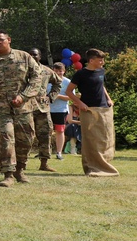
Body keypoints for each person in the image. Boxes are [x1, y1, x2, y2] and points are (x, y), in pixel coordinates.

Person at [0, 32, 43, 187]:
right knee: (6, 138)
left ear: (9, 40)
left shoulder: (24, 57)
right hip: (0, 108)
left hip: (23, 107)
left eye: (1, 40)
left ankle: (20, 169)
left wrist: (24, 96)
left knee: (26, 139)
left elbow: (36, 78)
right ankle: (8, 174)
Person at [64, 49, 119, 177]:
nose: (102, 62)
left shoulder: (101, 71)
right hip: (88, 110)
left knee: (105, 138)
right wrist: (80, 103)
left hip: (104, 109)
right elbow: (69, 91)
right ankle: (92, 167)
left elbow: (102, 86)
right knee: (91, 139)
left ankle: (105, 164)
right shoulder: (81, 74)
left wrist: (109, 98)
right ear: (91, 61)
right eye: (100, 60)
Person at [29, 48, 62, 173]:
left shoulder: (47, 71)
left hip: (42, 108)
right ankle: (21, 163)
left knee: (45, 135)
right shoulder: (21, 70)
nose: (32, 56)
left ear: (40, 56)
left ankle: (44, 163)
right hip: (25, 107)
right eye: (30, 54)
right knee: (24, 136)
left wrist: (51, 96)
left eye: (35, 54)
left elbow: (58, 83)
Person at [50, 62, 70, 160]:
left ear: (64, 71)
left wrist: (57, 96)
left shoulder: (67, 82)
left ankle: (59, 152)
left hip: (61, 110)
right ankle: (45, 152)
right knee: (45, 131)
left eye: (60, 71)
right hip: (47, 110)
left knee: (60, 131)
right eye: (56, 71)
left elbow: (70, 97)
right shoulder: (47, 81)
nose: (58, 73)